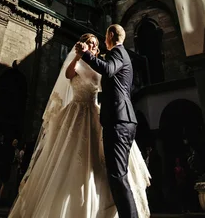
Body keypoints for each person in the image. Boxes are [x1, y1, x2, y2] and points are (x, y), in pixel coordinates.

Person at [8, 32, 150, 218]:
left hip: (97, 112)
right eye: (89, 43)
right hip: (77, 111)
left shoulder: (99, 64)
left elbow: (108, 78)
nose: (92, 46)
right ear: (82, 44)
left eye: (94, 44)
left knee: (103, 162)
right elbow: (68, 74)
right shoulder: (79, 62)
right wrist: (78, 56)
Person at [76, 24, 140, 218]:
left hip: (119, 119)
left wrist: (86, 55)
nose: (104, 42)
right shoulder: (122, 54)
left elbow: (109, 70)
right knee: (117, 174)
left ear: (111, 35)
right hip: (123, 118)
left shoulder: (117, 53)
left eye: (105, 37)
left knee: (118, 176)